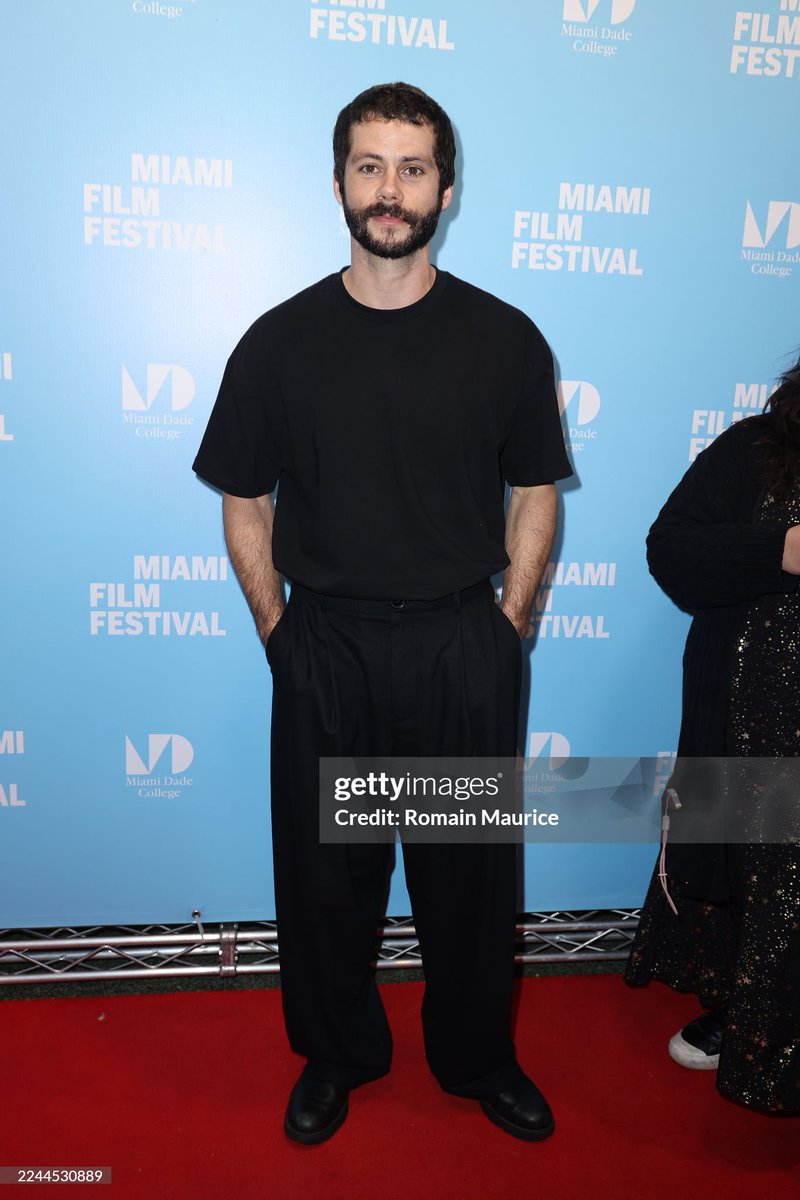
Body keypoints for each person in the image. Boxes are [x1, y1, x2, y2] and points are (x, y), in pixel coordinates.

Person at [193, 82, 571, 1143]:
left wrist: (505, 627)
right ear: (338, 185)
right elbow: (243, 501)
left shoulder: (504, 339)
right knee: (328, 882)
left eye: (411, 168)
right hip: (329, 648)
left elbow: (533, 491)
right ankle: (337, 1054)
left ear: (445, 189)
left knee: (468, 880)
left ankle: (477, 1057)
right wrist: (283, 637)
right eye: (369, 166)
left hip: (459, 646)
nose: (389, 189)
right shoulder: (278, 342)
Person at [625, 357, 800, 1114]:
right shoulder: (760, 447)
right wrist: (779, 550)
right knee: (759, 879)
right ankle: (747, 1013)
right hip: (755, 733)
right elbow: (672, 551)